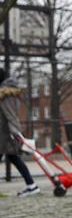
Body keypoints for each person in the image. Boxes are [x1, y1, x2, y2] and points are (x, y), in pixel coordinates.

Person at [0, 68, 40, 196]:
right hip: (5, 131)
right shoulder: (7, 91)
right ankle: (31, 185)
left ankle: (32, 185)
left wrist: (15, 131)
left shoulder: (6, 93)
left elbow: (11, 114)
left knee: (14, 157)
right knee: (14, 157)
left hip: (6, 132)